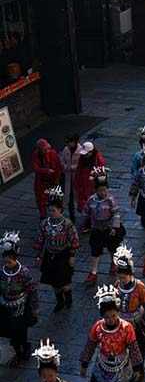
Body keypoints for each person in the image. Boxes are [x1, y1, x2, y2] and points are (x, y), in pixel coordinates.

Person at [80, 284, 143, 382]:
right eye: (107, 317)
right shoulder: (98, 327)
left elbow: (134, 348)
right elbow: (90, 346)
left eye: (113, 315)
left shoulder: (126, 327)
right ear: (102, 315)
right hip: (102, 367)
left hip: (121, 368)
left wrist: (137, 368)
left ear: (118, 312)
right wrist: (84, 365)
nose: (111, 320)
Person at [34, 186, 79, 312]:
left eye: (54, 210)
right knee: (54, 282)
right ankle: (60, 301)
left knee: (63, 283)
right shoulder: (45, 224)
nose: (52, 213)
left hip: (63, 255)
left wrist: (72, 255)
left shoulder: (67, 224)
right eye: (50, 210)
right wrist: (38, 256)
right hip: (50, 255)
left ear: (60, 210)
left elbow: (74, 240)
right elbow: (40, 240)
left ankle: (68, 297)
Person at [0, 231, 38, 367]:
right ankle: (18, 352)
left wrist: (34, 307)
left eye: (9, 261)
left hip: (20, 306)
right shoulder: (2, 271)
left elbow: (31, 289)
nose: (7, 263)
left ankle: (24, 347)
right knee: (10, 332)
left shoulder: (23, 272)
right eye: (5, 261)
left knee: (19, 330)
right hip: (5, 305)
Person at [113, 245, 145, 361]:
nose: (122, 279)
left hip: (137, 322)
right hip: (122, 322)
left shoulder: (139, 287)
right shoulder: (117, 285)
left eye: (124, 277)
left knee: (139, 347)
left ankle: (140, 369)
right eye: (120, 277)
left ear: (130, 274)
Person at [83, 167, 125, 284]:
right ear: (96, 190)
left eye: (104, 189)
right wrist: (86, 221)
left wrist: (114, 227)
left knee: (112, 248)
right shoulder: (91, 200)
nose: (103, 192)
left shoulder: (111, 200)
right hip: (96, 228)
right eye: (100, 190)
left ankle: (113, 262)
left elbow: (116, 214)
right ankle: (94, 272)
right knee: (95, 250)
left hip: (109, 228)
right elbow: (86, 212)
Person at [32, 139, 62, 220]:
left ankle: (56, 214)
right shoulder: (36, 155)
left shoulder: (53, 153)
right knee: (41, 200)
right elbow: (35, 167)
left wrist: (57, 179)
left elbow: (58, 166)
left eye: (48, 148)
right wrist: (46, 170)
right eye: (45, 149)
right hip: (41, 181)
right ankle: (43, 216)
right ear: (39, 149)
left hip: (53, 180)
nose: (47, 151)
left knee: (55, 199)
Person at [74, 141, 106, 215]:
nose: (85, 155)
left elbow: (102, 175)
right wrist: (76, 183)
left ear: (91, 152)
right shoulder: (82, 158)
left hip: (93, 186)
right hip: (84, 185)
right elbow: (78, 171)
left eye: (86, 153)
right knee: (83, 205)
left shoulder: (99, 159)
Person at [59, 132, 81, 222]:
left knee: (79, 196)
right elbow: (62, 161)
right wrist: (65, 167)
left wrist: (73, 167)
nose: (68, 144)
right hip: (67, 176)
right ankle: (72, 216)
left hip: (76, 177)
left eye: (70, 142)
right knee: (69, 196)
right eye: (67, 142)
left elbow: (81, 163)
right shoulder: (66, 150)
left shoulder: (80, 150)